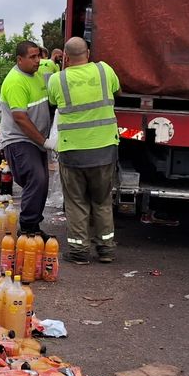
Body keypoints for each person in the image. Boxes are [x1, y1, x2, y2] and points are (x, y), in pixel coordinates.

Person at [46, 37, 120, 264]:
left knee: (76, 203)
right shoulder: (105, 71)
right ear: (88, 53)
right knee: (102, 201)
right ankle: (106, 249)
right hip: (104, 149)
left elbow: (53, 103)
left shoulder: (57, 79)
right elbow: (117, 92)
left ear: (66, 58)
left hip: (73, 152)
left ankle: (79, 252)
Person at [0, 41, 52, 238]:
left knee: (42, 183)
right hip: (20, 140)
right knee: (36, 178)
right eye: (32, 57)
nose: (38, 61)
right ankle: (28, 228)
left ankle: (34, 226)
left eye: (39, 56)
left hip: (36, 140)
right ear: (19, 59)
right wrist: (44, 141)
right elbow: (20, 118)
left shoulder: (37, 74)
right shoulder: (15, 81)